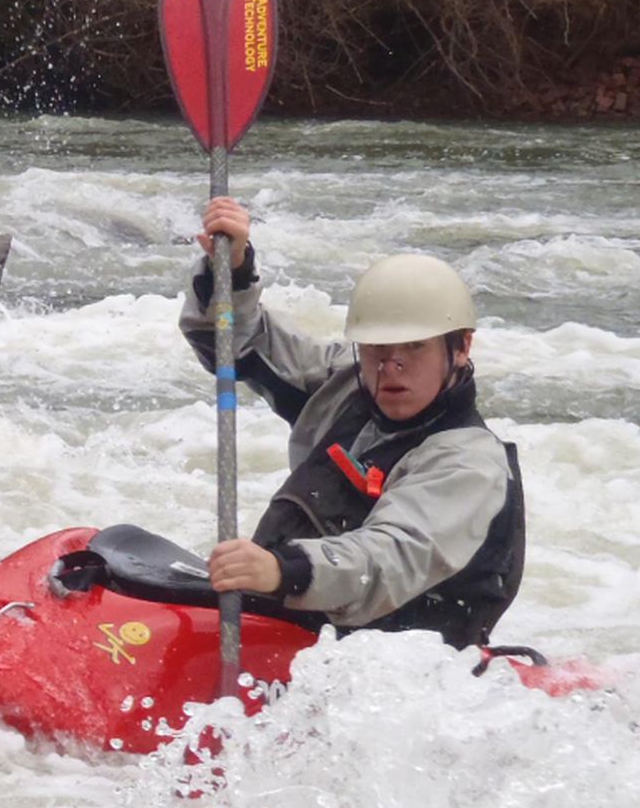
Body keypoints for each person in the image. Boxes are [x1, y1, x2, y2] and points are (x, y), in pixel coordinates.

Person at [181, 197, 525, 649]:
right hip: (294, 625)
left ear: (461, 348)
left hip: (398, 671)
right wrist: (235, 268)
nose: (391, 366)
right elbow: (232, 343)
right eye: (377, 348)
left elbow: (389, 557)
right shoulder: (347, 384)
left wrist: (283, 571)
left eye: (414, 347)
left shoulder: (470, 463)